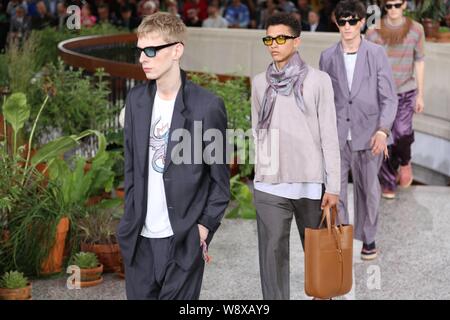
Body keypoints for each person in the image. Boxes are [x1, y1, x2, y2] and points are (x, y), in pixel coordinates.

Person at [117, 12, 230, 300]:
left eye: (152, 50)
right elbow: (131, 168)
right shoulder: (136, 101)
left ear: (177, 50)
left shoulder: (207, 106)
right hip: (139, 242)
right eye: (140, 50)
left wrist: (203, 229)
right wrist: (129, 219)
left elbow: (219, 182)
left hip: (183, 241)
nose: (143, 58)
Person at [251, 12, 341, 300]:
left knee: (319, 261)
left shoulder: (318, 81)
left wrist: (334, 186)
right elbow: (257, 132)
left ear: (297, 41)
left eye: (281, 38)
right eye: (269, 39)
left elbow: (329, 135)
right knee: (271, 261)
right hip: (269, 185)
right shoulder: (258, 83)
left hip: (309, 184)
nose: (274, 44)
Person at [319, 0, 398, 261]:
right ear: (336, 23)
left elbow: (389, 97)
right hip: (338, 134)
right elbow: (324, 98)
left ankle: (368, 238)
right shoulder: (327, 56)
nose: (347, 26)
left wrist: (383, 131)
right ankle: (341, 238)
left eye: (352, 21)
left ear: (362, 22)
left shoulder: (376, 54)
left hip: (370, 134)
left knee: (368, 190)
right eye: (342, 22)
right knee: (335, 189)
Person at [365, 0, 425, 199]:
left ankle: (405, 162)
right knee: (384, 138)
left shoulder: (416, 29)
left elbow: (419, 61)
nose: (392, 9)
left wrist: (421, 94)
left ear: (405, 5)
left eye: (397, 5)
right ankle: (388, 181)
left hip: (406, 91)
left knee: (402, 132)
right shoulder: (374, 30)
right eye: (388, 6)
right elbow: (367, 62)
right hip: (380, 94)